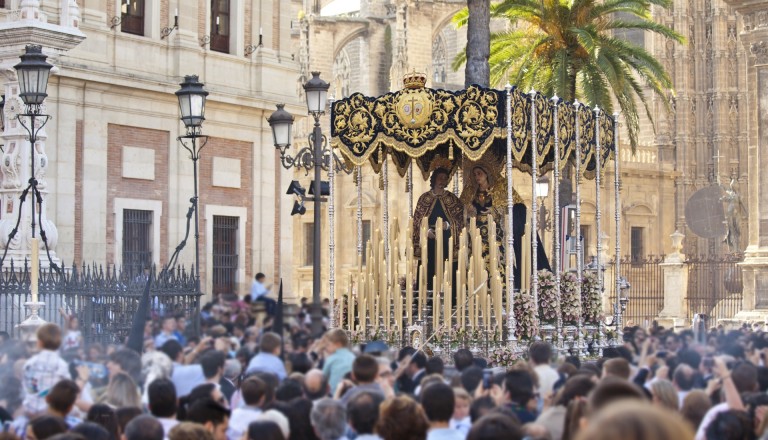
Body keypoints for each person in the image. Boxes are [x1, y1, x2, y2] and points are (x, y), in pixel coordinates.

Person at [461, 162, 550, 291]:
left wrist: (495, 211)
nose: (477, 177)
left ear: (487, 173)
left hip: (496, 236)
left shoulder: (501, 188)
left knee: (497, 264)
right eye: (474, 174)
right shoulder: (470, 192)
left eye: (479, 173)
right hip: (475, 237)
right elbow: (462, 213)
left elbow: (515, 209)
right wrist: (468, 212)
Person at [412, 164, 464, 291]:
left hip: (447, 242)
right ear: (434, 179)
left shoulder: (452, 199)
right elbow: (417, 219)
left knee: (450, 272)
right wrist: (426, 231)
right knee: (427, 272)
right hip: (429, 243)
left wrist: (448, 225)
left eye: (445, 178)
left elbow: (460, 220)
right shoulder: (424, 198)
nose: (442, 181)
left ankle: (451, 301)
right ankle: (426, 302)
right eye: (440, 177)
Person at [22, 324, 71, 415]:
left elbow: (26, 390)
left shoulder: (29, 363)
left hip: (30, 413)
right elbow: (68, 391)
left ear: (39, 342)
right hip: (52, 414)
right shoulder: (62, 365)